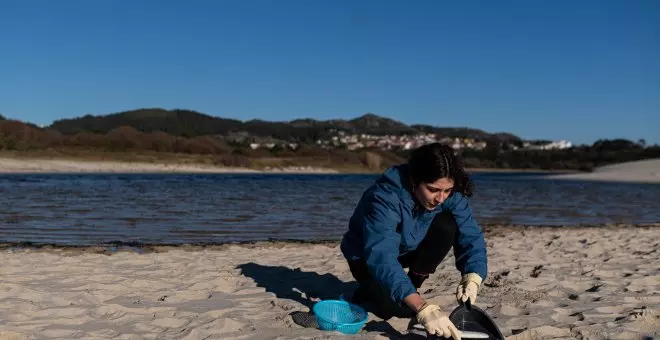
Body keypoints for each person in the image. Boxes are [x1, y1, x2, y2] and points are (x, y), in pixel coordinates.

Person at [340, 142, 488, 340]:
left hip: (409, 247)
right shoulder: (385, 197)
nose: (441, 198)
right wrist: (422, 307)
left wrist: (473, 276)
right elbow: (381, 256)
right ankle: (370, 288)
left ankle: (412, 284)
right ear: (414, 180)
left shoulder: (447, 192)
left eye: (447, 191)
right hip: (366, 257)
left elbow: (471, 235)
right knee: (392, 310)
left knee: (447, 225)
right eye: (433, 189)